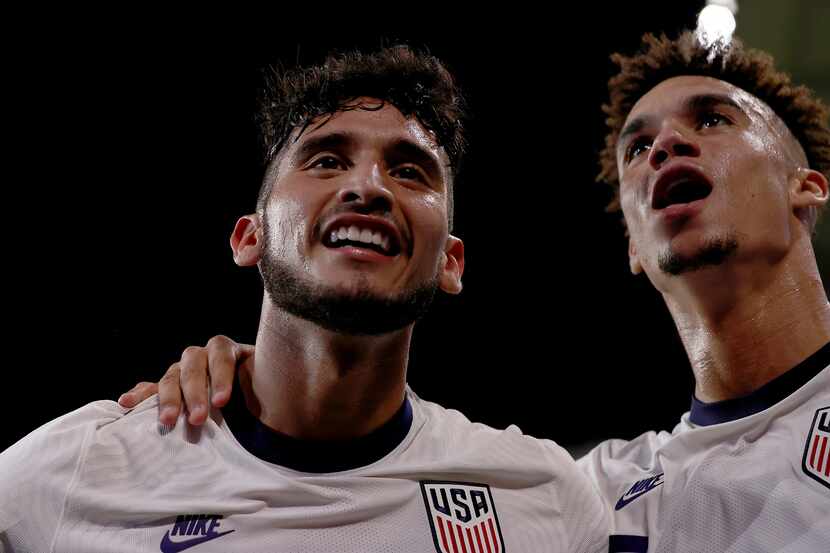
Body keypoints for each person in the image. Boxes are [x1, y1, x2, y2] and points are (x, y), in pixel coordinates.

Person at [126, 31, 830, 551]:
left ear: (809, 185)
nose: (665, 148)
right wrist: (248, 387)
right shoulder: (594, 495)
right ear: (634, 249)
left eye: (712, 119)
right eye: (637, 149)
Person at [0, 47, 610, 553]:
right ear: (249, 237)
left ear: (450, 262)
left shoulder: (542, 497)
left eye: (409, 172)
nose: (367, 186)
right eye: (326, 160)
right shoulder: (76, 468)